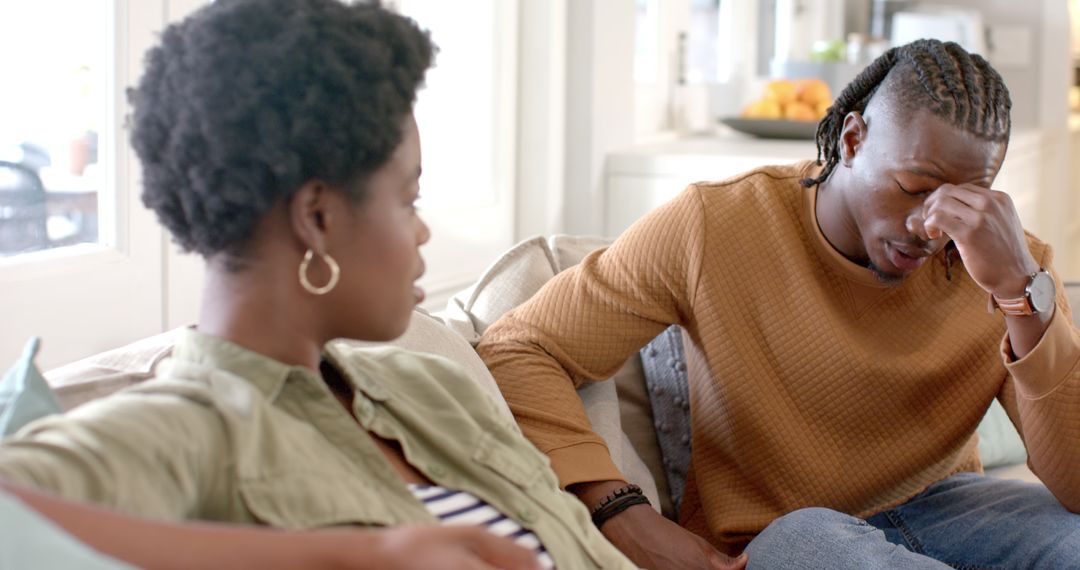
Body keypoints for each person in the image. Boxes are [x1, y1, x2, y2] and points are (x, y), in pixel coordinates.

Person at [0, 1, 636, 568]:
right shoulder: (186, 429)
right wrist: (354, 555)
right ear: (318, 216)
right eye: (407, 200)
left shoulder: (429, 385)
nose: (422, 232)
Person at [477, 38, 1080, 569]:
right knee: (807, 542)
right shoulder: (713, 224)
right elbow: (520, 348)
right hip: (782, 534)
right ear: (852, 139)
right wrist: (620, 512)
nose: (932, 227)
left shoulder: (1010, 265)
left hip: (949, 507)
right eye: (913, 188)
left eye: (968, 200)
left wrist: (1021, 294)